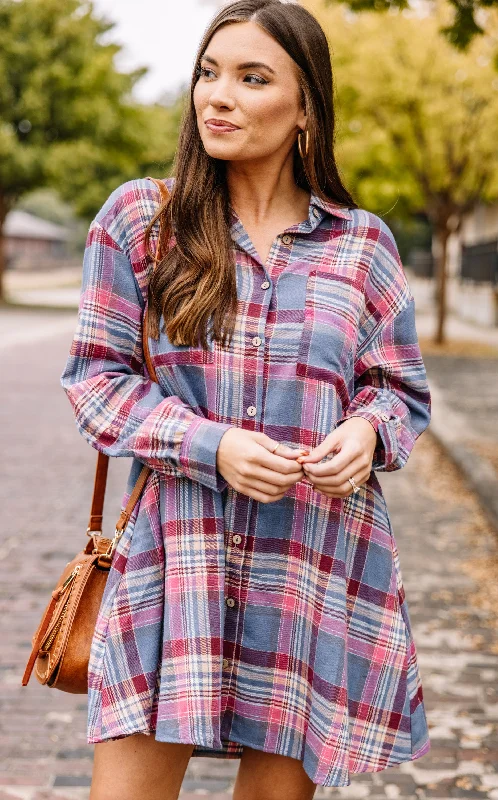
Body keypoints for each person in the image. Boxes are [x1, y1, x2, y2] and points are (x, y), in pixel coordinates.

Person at [60, 1, 433, 798]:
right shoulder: (139, 221)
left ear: (305, 109)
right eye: (207, 72)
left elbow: (397, 390)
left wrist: (367, 433)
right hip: (177, 558)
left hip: (312, 559)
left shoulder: (362, 245)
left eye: (251, 78)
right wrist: (211, 446)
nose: (215, 97)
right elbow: (95, 382)